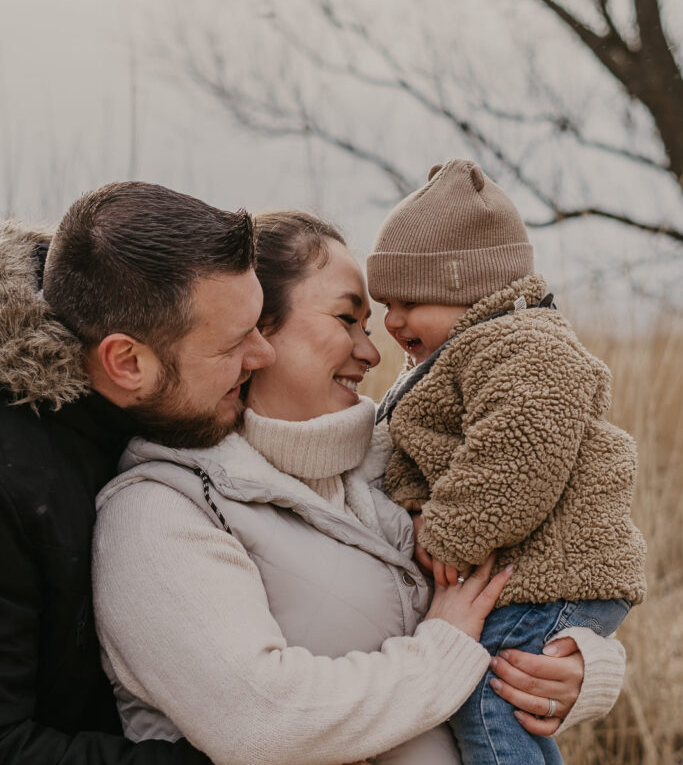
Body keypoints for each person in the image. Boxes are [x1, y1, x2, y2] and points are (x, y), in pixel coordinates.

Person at [93, 210, 627, 765]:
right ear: (255, 330)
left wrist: (582, 669)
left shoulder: (397, 466)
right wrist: (445, 651)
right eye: (347, 320)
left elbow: (551, 570)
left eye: (369, 328)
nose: (373, 353)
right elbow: (261, 718)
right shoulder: (162, 511)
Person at [366, 159, 647, 765]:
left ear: (471, 289)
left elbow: (519, 452)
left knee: (488, 696)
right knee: (499, 699)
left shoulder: (522, 346)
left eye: (411, 300)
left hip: (557, 574)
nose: (391, 322)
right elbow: (427, 454)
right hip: (532, 578)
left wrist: (447, 533)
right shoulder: (455, 360)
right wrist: (416, 510)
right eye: (383, 303)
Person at [0, 181, 275, 764]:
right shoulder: (13, 485)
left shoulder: (186, 402)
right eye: (233, 343)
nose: (263, 355)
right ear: (127, 362)